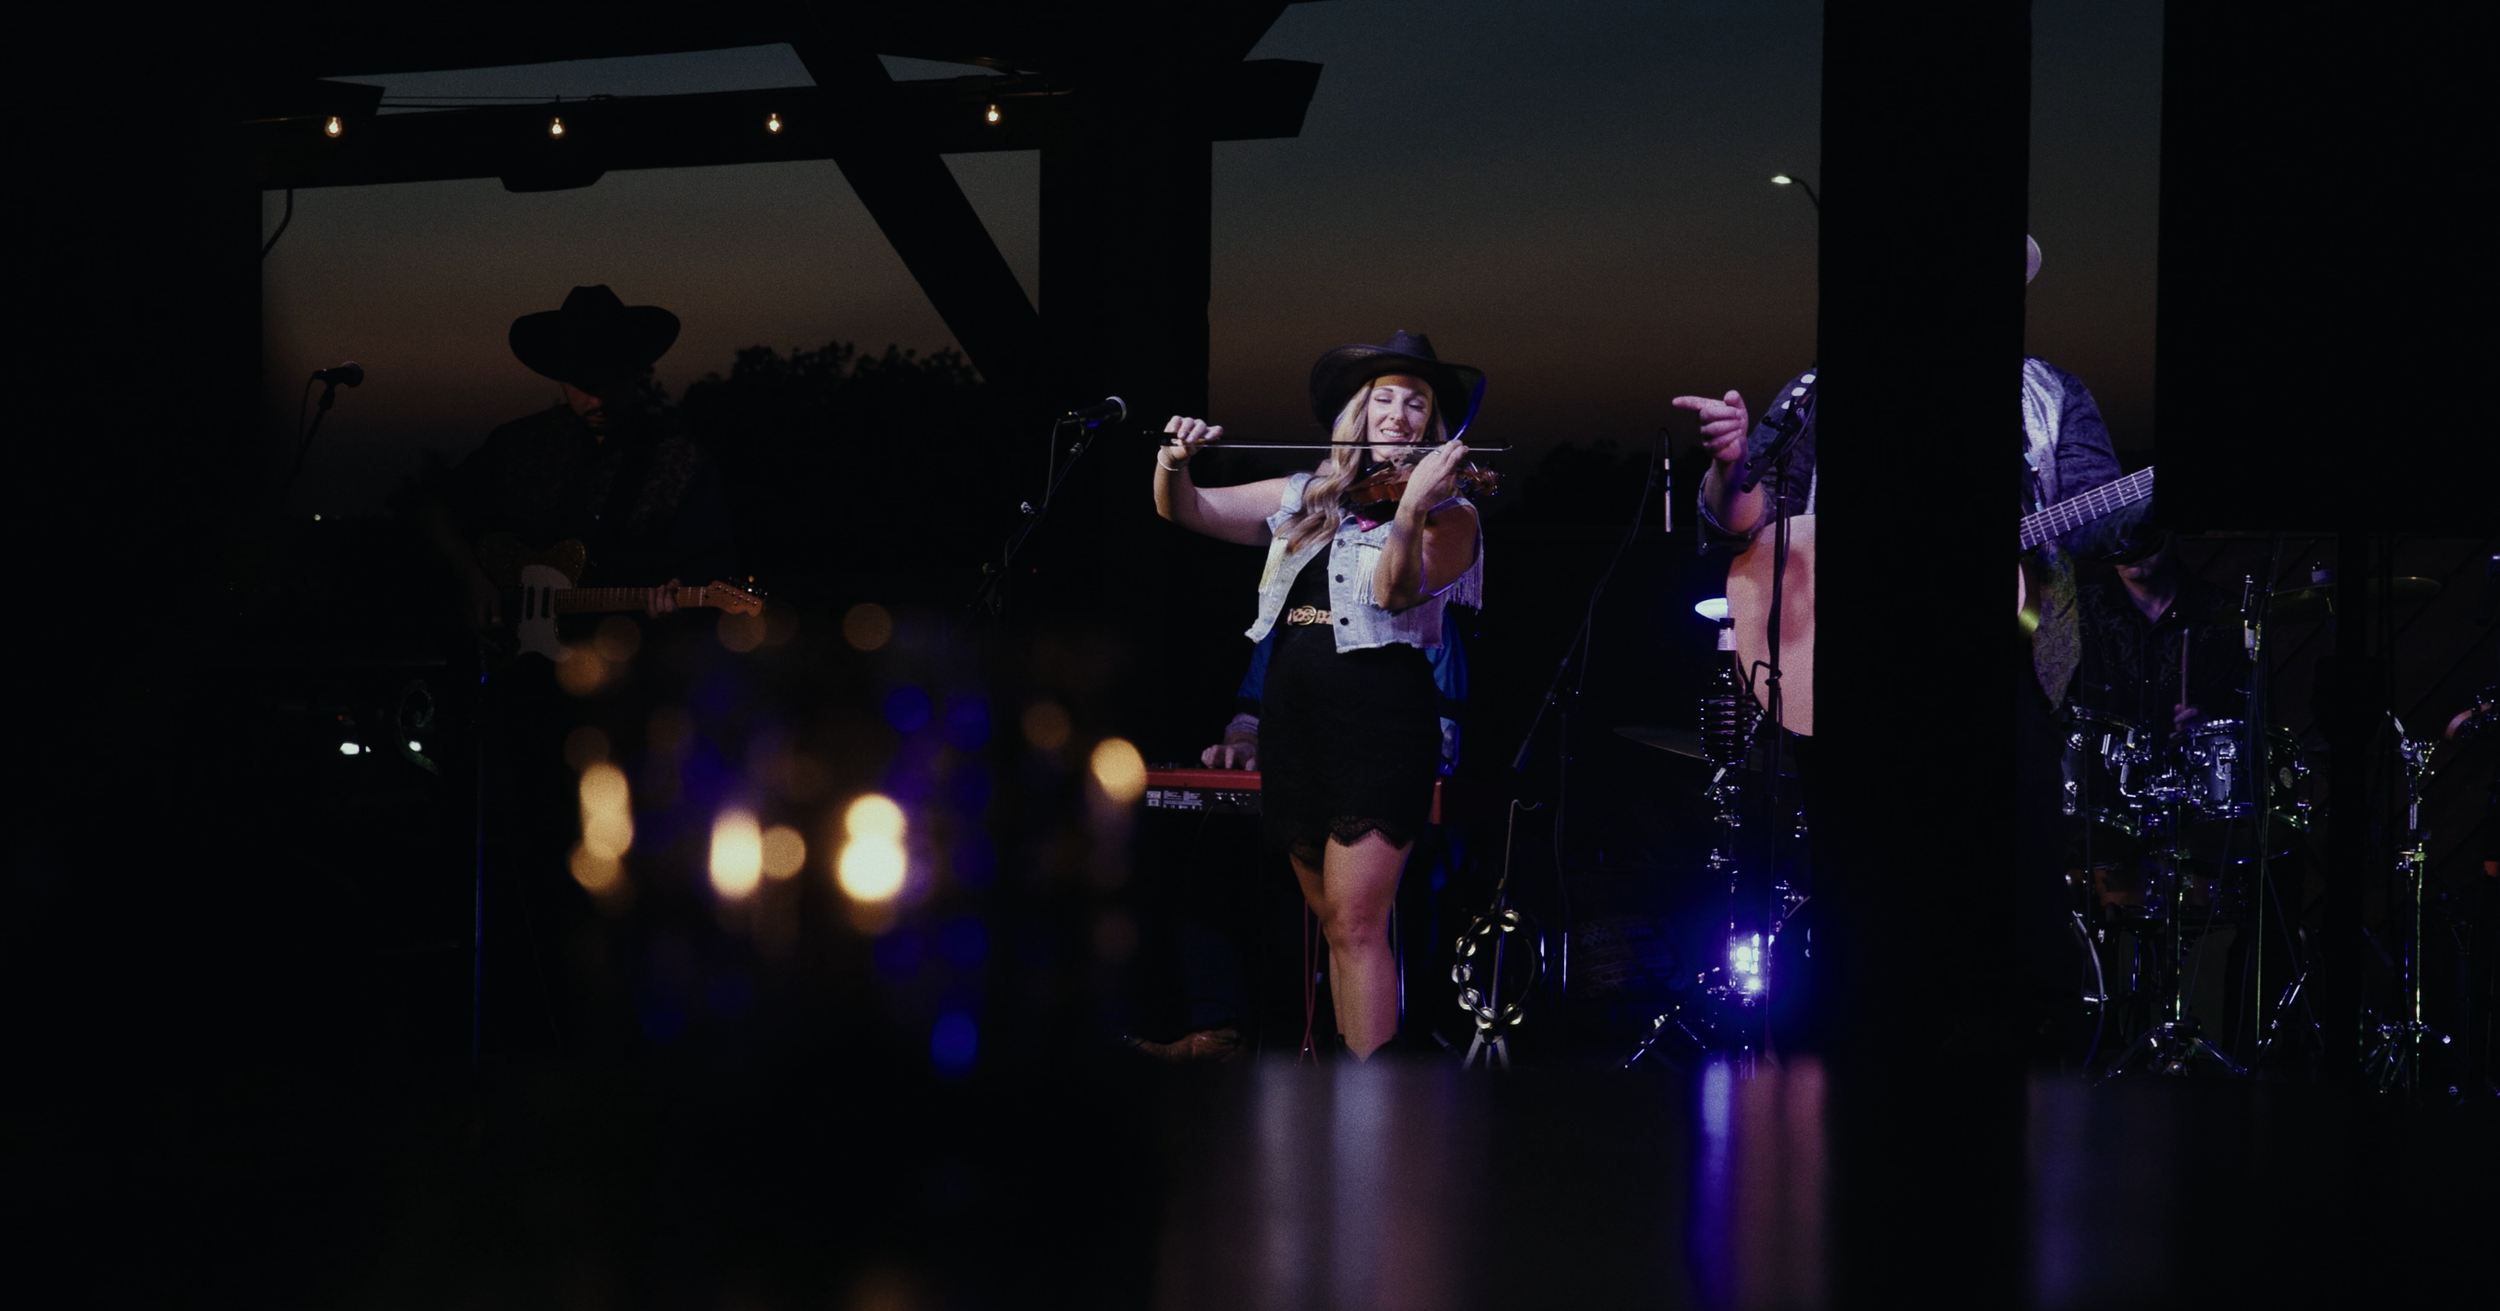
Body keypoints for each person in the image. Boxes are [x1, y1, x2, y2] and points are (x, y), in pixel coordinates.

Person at [1152, 330, 1485, 1060]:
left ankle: (1376, 1103)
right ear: (1359, 412)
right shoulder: (1304, 497)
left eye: (1417, 404)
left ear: (1432, 425)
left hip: (1380, 729)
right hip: (1297, 730)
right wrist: (1172, 461)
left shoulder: (1451, 514)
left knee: (1360, 926)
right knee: (1334, 925)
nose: (1398, 414)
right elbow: (1187, 510)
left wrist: (1411, 509)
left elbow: (1397, 590)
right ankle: (1351, 1093)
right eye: (1385, 399)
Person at [416, 285, 735, 630]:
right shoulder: (520, 442)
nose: (597, 398)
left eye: (611, 378)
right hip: (522, 665)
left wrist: (679, 593)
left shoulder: (680, 460)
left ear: (637, 372)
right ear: (560, 377)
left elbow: (710, 561)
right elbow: (436, 509)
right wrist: (473, 581)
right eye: (583, 381)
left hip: (631, 658)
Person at [2072, 532, 2247, 737]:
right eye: (2117, 529)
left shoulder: (2227, 617)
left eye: (2140, 528)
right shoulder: (2076, 611)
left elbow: (2253, 736)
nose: (2128, 543)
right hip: (2096, 767)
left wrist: (2212, 733)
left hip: (2194, 766)